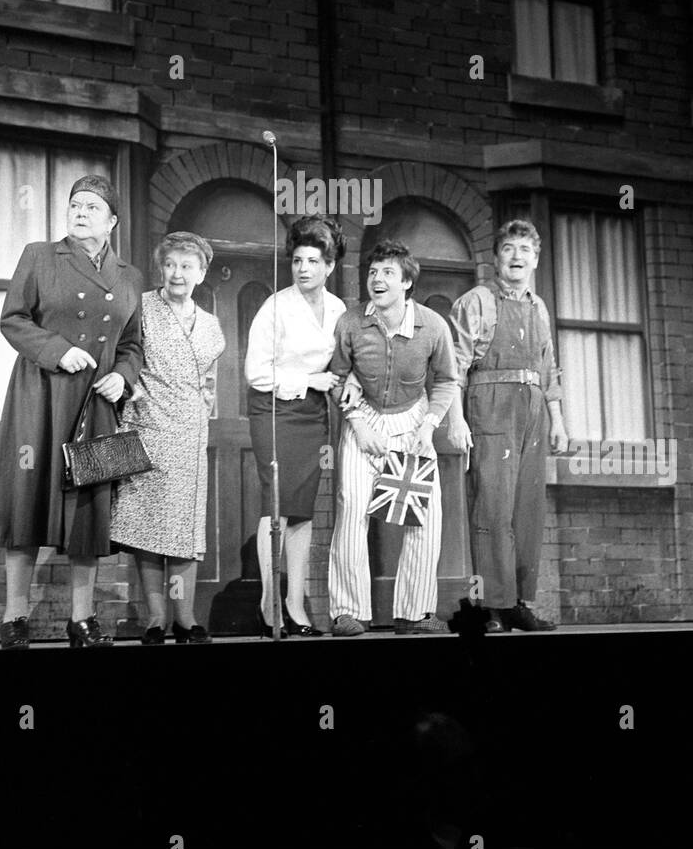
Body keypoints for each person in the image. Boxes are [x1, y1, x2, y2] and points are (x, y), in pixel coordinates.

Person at [0, 175, 144, 648]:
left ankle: (82, 619)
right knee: (27, 502)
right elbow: (13, 319)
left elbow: (132, 343)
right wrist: (57, 350)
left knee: (87, 513)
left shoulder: (129, 276)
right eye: (75, 204)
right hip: (40, 397)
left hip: (95, 402)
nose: (80, 212)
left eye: (92, 207)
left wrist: (124, 377)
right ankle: (15, 617)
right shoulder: (39, 255)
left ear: (112, 221)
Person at [327, 240, 461, 636]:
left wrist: (429, 425)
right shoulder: (351, 323)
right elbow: (336, 377)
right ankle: (348, 612)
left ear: (406, 283)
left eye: (388, 273)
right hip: (364, 421)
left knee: (425, 517)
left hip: (414, 423)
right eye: (373, 272)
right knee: (352, 509)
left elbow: (447, 380)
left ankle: (414, 613)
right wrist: (357, 422)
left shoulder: (432, 326)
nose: (378, 280)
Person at [447, 219, 568, 633]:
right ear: (496, 258)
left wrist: (558, 422)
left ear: (536, 259)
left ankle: (516, 602)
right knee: (492, 508)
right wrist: (457, 418)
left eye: (525, 250)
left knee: (526, 510)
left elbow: (549, 368)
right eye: (509, 249)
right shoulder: (476, 301)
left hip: (532, 410)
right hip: (490, 406)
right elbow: (454, 368)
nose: (517, 257)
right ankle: (490, 607)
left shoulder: (539, 306)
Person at [108, 231, 225, 644]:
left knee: (183, 531)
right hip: (146, 429)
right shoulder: (140, 307)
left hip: (189, 437)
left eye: (187, 266)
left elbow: (209, 382)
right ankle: (156, 619)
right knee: (147, 529)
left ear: (201, 273)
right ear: (161, 268)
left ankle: (186, 619)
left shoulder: (210, 324)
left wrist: (201, 409)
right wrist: (131, 391)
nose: (177, 273)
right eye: (171, 264)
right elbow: (121, 357)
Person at [244, 214, 346, 636]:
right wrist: (309, 380)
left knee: (302, 512)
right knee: (278, 507)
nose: (303, 269)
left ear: (329, 266)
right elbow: (256, 372)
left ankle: (296, 604)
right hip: (275, 412)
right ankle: (270, 604)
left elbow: (341, 363)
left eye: (313, 261)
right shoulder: (276, 307)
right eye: (298, 260)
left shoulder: (338, 309)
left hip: (314, 416)